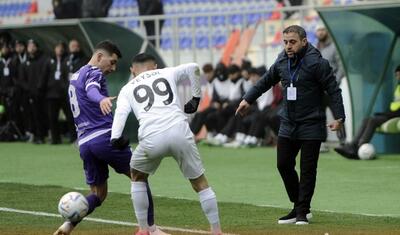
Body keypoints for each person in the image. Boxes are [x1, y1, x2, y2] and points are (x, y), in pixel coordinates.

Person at [53, 41, 167, 235]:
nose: (113, 68)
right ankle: (150, 230)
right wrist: (102, 99)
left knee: (99, 194)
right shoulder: (94, 73)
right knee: (139, 176)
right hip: (104, 138)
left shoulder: (75, 76)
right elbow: (91, 90)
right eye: (112, 62)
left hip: (85, 144)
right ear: (99, 57)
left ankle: (68, 225)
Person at [236, 25, 345, 225]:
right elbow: (265, 81)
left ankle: (303, 211)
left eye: (292, 42)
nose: (288, 46)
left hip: (311, 123)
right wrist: (248, 99)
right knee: (283, 164)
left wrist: (339, 117)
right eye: (285, 42)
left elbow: (334, 90)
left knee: (307, 170)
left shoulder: (317, 63)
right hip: (288, 122)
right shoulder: (281, 60)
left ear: (304, 41)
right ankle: (298, 205)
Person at [111, 53, 223, 235]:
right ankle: (216, 231)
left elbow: (121, 114)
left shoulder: (127, 88)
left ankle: (143, 229)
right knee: (200, 183)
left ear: (133, 70)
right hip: (179, 131)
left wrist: (115, 137)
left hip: (151, 136)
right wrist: (195, 99)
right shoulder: (167, 72)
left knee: (137, 176)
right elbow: (194, 66)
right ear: (154, 66)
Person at [334, 65, 400, 159]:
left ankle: (359, 146)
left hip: (396, 115)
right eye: (396, 75)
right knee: (366, 120)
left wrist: (386, 114)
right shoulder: (398, 86)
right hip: (392, 114)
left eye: (398, 74)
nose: (397, 77)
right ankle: (352, 145)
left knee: (373, 121)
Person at [316, 24, 346, 151]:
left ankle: (343, 141)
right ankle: (322, 142)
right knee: (319, 116)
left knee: (338, 115)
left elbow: (341, 67)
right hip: (318, 89)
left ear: (327, 31)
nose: (320, 32)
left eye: (322, 30)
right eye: (318, 30)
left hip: (331, 88)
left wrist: (334, 83)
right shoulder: (314, 48)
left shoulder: (334, 47)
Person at [40, 42, 76, 144]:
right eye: (58, 48)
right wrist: (42, 89)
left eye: (61, 48)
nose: (59, 50)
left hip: (64, 94)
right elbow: (44, 76)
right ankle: (55, 139)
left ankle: (73, 138)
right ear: (54, 49)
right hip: (51, 94)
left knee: (70, 116)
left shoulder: (67, 60)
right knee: (52, 117)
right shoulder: (49, 61)